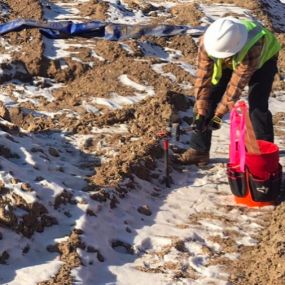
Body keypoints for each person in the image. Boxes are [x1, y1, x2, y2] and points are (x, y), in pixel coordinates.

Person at [178, 16, 281, 166]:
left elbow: (235, 87)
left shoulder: (253, 46)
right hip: (232, 55)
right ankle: (199, 151)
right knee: (209, 97)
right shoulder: (208, 42)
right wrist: (201, 113)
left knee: (258, 103)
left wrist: (219, 115)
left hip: (264, 59)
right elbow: (202, 80)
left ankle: (263, 153)